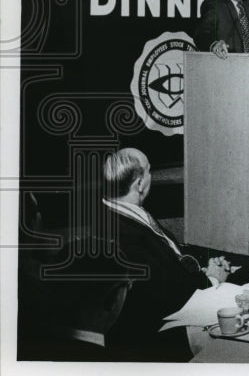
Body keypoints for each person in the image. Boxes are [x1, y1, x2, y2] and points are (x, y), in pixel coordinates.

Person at [98, 148, 232, 360]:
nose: (152, 177)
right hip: (157, 334)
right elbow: (164, 293)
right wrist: (211, 279)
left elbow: (168, 255)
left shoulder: (121, 211)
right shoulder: (121, 233)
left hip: (187, 285)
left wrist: (206, 267)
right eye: (149, 171)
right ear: (139, 184)